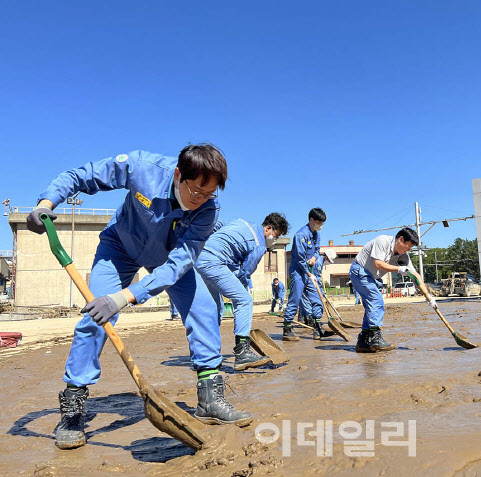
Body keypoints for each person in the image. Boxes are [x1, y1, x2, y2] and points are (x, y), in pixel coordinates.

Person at [25, 145, 252, 450]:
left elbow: (177, 266)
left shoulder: (207, 211)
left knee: (204, 307)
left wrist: (125, 297)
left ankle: (210, 397)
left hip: (167, 259)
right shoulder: (141, 168)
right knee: (95, 318)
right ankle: (73, 406)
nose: (200, 198)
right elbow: (84, 175)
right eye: (195, 189)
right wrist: (46, 201)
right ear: (177, 174)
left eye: (208, 193)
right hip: (120, 247)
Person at [194, 213, 289, 371]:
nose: (275, 239)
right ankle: (242, 353)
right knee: (244, 300)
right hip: (214, 262)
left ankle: (206, 356)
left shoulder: (240, 222)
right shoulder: (259, 245)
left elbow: (215, 226)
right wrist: (243, 289)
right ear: (269, 228)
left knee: (215, 308)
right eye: (276, 235)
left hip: (200, 256)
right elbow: (245, 273)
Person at [349, 227, 435, 353]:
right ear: (400, 239)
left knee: (371, 307)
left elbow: (415, 276)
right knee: (376, 301)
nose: (408, 250)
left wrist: (429, 297)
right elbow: (377, 264)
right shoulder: (382, 241)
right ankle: (375, 337)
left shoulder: (403, 256)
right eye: (408, 246)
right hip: (360, 271)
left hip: (374, 277)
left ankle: (363, 341)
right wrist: (399, 269)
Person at [282, 208, 326, 341]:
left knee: (317, 297)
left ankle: (318, 326)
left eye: (322, 223)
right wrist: (307, 273)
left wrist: (314, 257)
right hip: (298, 272)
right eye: (318, 222)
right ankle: (287, 327)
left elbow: (317, 249)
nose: (320, 226)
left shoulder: (316, 234)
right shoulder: (300, 235)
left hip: (310, 271)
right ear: (311, 220)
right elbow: (300, 258)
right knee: (295, 299)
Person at [299, 249, 336, 339]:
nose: (328, 261)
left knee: (315, 304)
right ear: (326, 256)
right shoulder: (318, 262)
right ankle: (317, 330)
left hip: (309, 283)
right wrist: (319, 289)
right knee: (318, 304)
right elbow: (315, 277)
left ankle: (317, 329)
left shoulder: (318, 260)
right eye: (328, 260)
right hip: (311, 283)